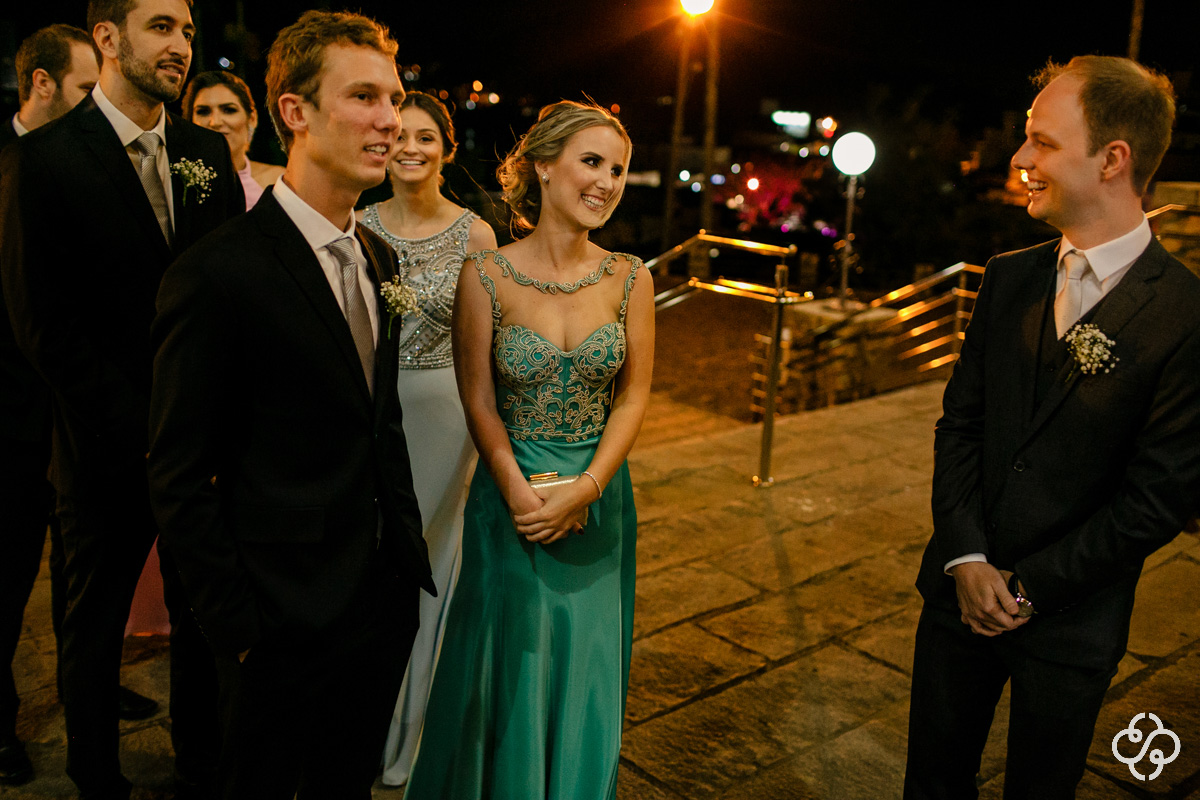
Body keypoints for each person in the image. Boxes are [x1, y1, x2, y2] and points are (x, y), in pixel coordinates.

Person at [147, 10, 434, 799]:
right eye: (366, 97)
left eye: (396, 97)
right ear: (295, 112)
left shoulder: (373, 256)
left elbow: (377, 424)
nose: (390, 119)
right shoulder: (219, 273)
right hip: (277, 628)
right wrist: (238, 632)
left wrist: (400, 571)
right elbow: (176, 475)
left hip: (379, 607)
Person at [905, 56, 1200, 799]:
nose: (1019, 159)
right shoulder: (1008, 276)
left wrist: (1027, 589)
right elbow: (960, 424)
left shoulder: (1186, 316)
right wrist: (965, 556)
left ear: (1112, 160)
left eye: (1042, 142)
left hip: (1071, 624)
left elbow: (1155, 500)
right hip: (955, 602)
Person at [0, 1, 244, 796]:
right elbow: (44, 325)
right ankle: (96, 774)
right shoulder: (44, 159)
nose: (182, 46)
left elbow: (222, 302)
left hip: (202, 448)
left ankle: (204, 766)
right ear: (107, 38)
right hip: (103, 443)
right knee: (93, 626)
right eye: (162, 28)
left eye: (186, 30)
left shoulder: (204, 151)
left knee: (204, 619)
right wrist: (145, 431)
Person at [404, 100, 653, 800]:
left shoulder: (631, 278)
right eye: (592, 162)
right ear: (544, 166)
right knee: (506, 662)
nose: (606, 181)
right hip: (507, 501)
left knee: (586, 664)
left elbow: (633, 398)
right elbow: (478, 398)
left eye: (619, 169)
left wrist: (589, 489)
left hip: (599, 502)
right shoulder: (487, 276)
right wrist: (515, 489)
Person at [357, 90, 496, 786]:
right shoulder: (356, 222)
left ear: (446, 148)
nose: (409, 148)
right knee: (371, 561)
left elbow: (484, 351)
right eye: (398, 136)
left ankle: (412, 730)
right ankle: (360, 719)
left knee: (430, 561)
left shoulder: (475, 236)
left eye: (425, 137)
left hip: (444, 414)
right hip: (367, 415)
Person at [0, 22, 99, 788]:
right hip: (6, 409)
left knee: (77, 570)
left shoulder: (87, 170)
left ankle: (83, 689)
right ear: (42, 83)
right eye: (85, 91)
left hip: (74, 410)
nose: (95, 108)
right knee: (2, 572)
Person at [183, 70, 284, 209]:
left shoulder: (278, 181)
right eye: (203, 111)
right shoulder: (179, 184)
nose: (215, 122)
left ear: (252, 119)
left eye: (229, 110)